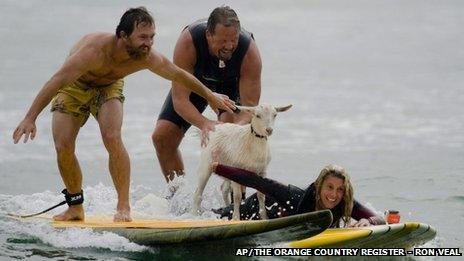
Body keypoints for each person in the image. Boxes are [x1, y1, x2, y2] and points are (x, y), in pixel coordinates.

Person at [12, 7, 236, 222]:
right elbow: (56, 81)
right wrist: (30, 117)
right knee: (63, 146)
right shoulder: (91, 52)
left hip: (109, 87)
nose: (148, 44)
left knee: (112, 137)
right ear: (123, 35)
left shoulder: (146, 57)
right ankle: (75, 206)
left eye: (152, 37)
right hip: (74, 87)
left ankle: (123, 206)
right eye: (142, 37)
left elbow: (178, 74)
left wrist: (210, 95)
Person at [152, 6, 262, 182]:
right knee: (162, 137)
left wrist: (229, 131)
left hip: (231, 91)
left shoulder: (249, 51)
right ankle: (178, 198)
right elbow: (180, 100)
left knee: (230, 146)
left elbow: (250, 108)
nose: (229, 46)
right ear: (208, 35)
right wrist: (204, 123)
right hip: (196, 86)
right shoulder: (189, 41)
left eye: (233, 40)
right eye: (223, 41)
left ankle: (232, 202)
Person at [211, 163, 386, 228]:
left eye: (340, 189)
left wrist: (367, 221)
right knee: (218, 216)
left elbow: (379, 219)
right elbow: (257, 182)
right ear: (319, 187)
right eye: (330, 187)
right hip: (255, 209)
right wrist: (216, 167)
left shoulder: (344, 202)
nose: (334, 195)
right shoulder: (293, 197)